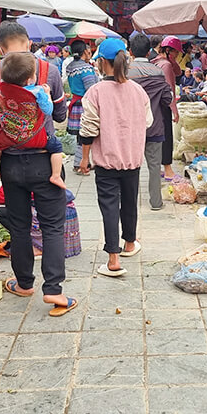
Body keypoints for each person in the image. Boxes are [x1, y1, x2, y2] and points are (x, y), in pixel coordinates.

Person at [0, 21, 73, 314]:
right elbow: (58, 114)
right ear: (29, 43)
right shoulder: (50, 71)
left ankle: (23, 283)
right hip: (46, 159)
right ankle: (54, 291)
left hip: (9, 162)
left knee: (19, 226)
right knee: (53, 226)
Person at [78, 38, 151, 278]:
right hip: (132, 159)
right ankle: (129, 243)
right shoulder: (138, 90)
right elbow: (148, 122)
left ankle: (113, 259)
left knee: (110, 207)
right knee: (130, 203)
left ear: (101, 62)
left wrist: (84, 159)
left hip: (107, 161)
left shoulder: (95, 92)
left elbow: (88, 129)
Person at [0, 52, 65, 190]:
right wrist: (48, 95)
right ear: (29, 80)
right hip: (36, 137)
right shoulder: (37, 91)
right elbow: (48, 110)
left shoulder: (3, 90)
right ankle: (56, 175)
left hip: (9, 135)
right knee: (56, 147)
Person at [128, 34, 172, 211]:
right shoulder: (158, 72)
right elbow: (167, 98)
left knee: (131, 165)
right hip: (154, 126)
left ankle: (130, 201)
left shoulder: (125, 72)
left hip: (131, 128)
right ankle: (156, 202)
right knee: (154, 166)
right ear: (149, 52)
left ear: (130, 51)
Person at [66, 40, 98, 174]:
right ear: (85, 51)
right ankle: (81, 164)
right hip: (85, 105)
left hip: (76, 104)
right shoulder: (86, 69)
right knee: (86, 134)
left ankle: (81, 162)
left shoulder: (71, 66)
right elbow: (91, 90)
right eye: (89, 50)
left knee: (81, 136)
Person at [152, 36, 182, 180]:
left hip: (154, 105)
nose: (178, 55)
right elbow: (169, 89)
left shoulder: (157, 62)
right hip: (164, 105)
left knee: (158, 137)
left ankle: (158, 168)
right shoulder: (166, 65)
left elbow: (178, 72)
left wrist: (173, 60)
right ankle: (168, 170)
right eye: (176, 52)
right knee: (167, 137)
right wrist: (175, 111)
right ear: (169, 50)